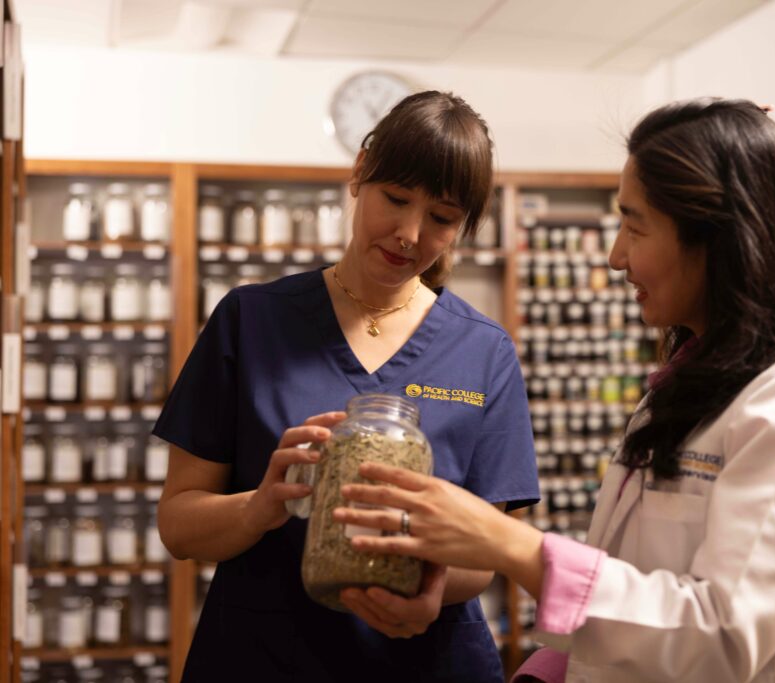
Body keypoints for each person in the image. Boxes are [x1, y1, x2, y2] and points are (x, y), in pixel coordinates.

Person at [333, 97, 775, 683]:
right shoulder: (691, 386)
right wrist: (551, 669)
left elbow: (720, 638)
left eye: (634, 226)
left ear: (719, 238)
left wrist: (510, 545)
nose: (617, 256)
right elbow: (632, 589)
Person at [155, 90, 539, 682]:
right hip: (265, 656)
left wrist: (432, 585)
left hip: (424, 661)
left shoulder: (483, 350)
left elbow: (495, 546)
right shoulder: (250, 320)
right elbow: (179, 524)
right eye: (396, 198)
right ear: (361, 172)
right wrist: (259, 507)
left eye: (440, 218)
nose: (410, 232)